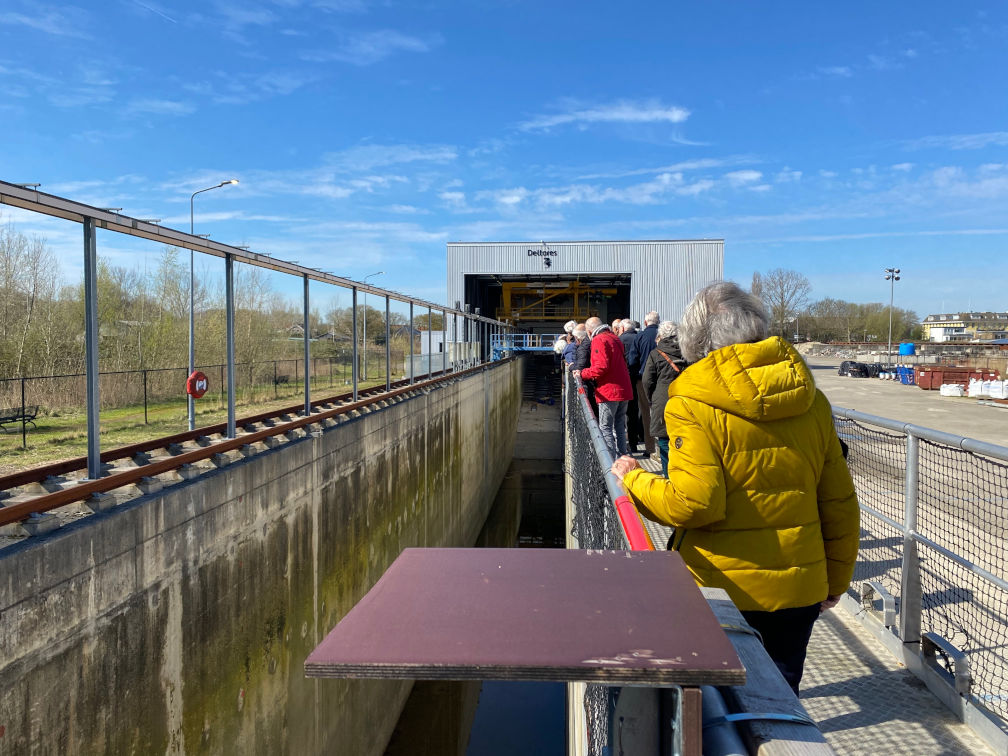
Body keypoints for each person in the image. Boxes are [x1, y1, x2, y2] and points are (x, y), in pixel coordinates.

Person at [609, 282, 859, 696]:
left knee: (715, 706)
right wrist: (836, 581)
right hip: (800, 589)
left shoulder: (690, 400)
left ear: (696, 338)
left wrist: (632, 477)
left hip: (720, 589)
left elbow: (694, 504)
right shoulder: (811, 399)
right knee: (781, 699)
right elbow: (838, 502)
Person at [573, 317, 633, 458]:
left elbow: (600, 367)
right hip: (624, 389)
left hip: (609, 391)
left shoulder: (599, 340)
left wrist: (582, 373)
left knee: (605, 427)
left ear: (589, 331)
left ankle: (610, 462)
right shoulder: (615, 338)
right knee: (619, 425)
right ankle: (622, 458)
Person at [640, 320, 686, 476]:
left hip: (663, 400)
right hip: (686, 399)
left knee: (665, 441)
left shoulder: (655, 354)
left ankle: (668, 477)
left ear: (660, 336)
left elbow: (647, 381)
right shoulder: (688, 352)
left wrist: (652, 398)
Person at [634, 311, 661, 456]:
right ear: (658, 322)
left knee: (646, 414)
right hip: (663, 379)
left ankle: (650, 448)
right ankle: (665, 447)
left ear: (645, 323)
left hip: (643, 379)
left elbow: (633, 359)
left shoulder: (640, 336)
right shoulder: (664, 336)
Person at [619, 319, 644, 453]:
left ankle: (627, 444)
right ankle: (637, 441)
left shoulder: (620, 340)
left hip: (625, 378)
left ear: (622, 328)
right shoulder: (640, 337)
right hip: (639, 377)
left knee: (625, 413)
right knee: (639, 411)